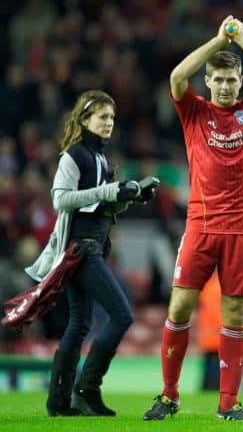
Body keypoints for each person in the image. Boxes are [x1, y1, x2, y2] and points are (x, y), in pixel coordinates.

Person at [143, 15, 243, 421]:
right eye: (218, 80)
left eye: (231, 79)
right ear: (209, 82)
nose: (224, 86)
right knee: (180, 307)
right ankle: (169, 396)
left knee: (236, 314)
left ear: (240, 81)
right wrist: (219, 39)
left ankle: (228, 404)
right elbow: (176, 76)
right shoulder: (193, 112)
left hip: (242, 229)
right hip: (201, 226)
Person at [25, 90, 156, 417]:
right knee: (122, 315)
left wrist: (129, 197)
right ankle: (87, 389)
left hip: (87, 247)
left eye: (112, 118)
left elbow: (97, 207)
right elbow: (61, 199)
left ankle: (58, 402)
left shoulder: (97, 157)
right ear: (84, 120)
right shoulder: (75, 155)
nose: (109, 123)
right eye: (102, 117)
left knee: (79, 324)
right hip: (80, 250)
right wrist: (111, 189)